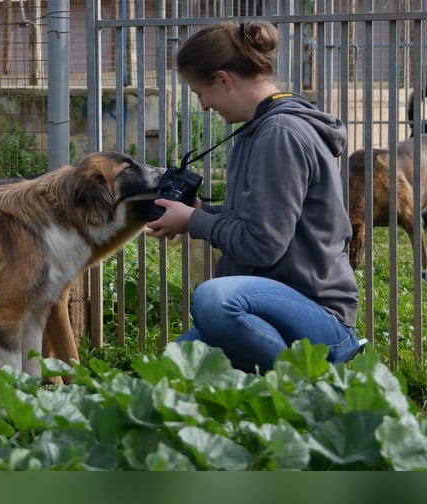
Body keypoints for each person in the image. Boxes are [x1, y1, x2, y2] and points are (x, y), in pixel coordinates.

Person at [147, 20, 361, 373]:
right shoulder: (258, 130)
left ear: (224, 79)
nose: (202, 106)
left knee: (215, 301)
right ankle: (265, 392)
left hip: (318, 317)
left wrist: (194, 221)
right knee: (169, 374)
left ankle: (309, 385)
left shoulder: (280, 134)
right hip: (271, 311)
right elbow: (260, 221)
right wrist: (203, 212)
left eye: (200, 93)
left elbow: (263, 244)